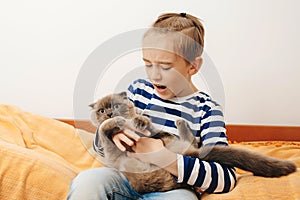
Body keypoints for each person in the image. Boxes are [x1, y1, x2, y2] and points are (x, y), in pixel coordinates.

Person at [67, 12, 236, 200]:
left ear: (193, 66)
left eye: (165, 67)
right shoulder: (138, 91)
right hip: (126, 178)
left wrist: (163, 157)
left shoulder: (207, 110)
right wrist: (110, 133)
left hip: (172, 189)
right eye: (148, 64)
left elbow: (225, 177)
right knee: (88, 180)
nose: (154, 76)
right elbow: (100, 148)